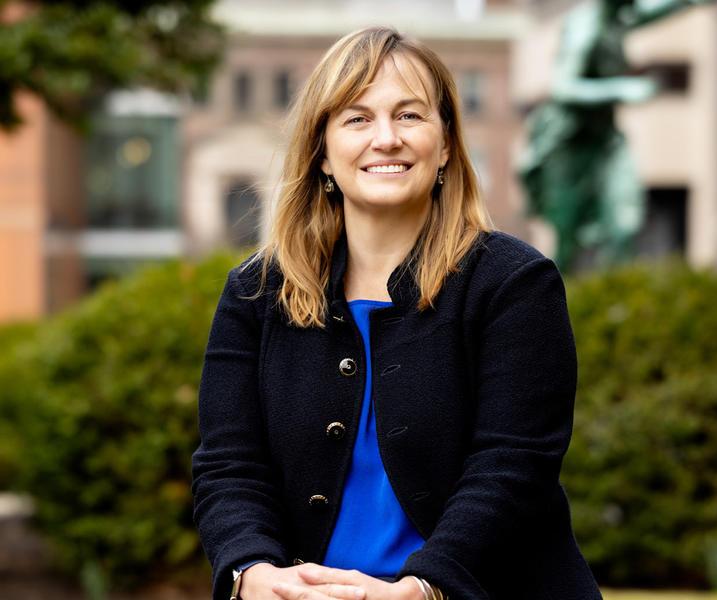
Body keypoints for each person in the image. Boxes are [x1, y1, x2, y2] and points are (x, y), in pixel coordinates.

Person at [191, 26, 602, 600]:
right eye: (357, 119)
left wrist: (423, 587)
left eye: (409, 116)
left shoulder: (514, 283)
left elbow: (514, 467)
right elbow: (229, 466)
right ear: (322, 154)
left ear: (446, 145)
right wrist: (252, 574)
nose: (386, 138)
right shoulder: (255, 294)